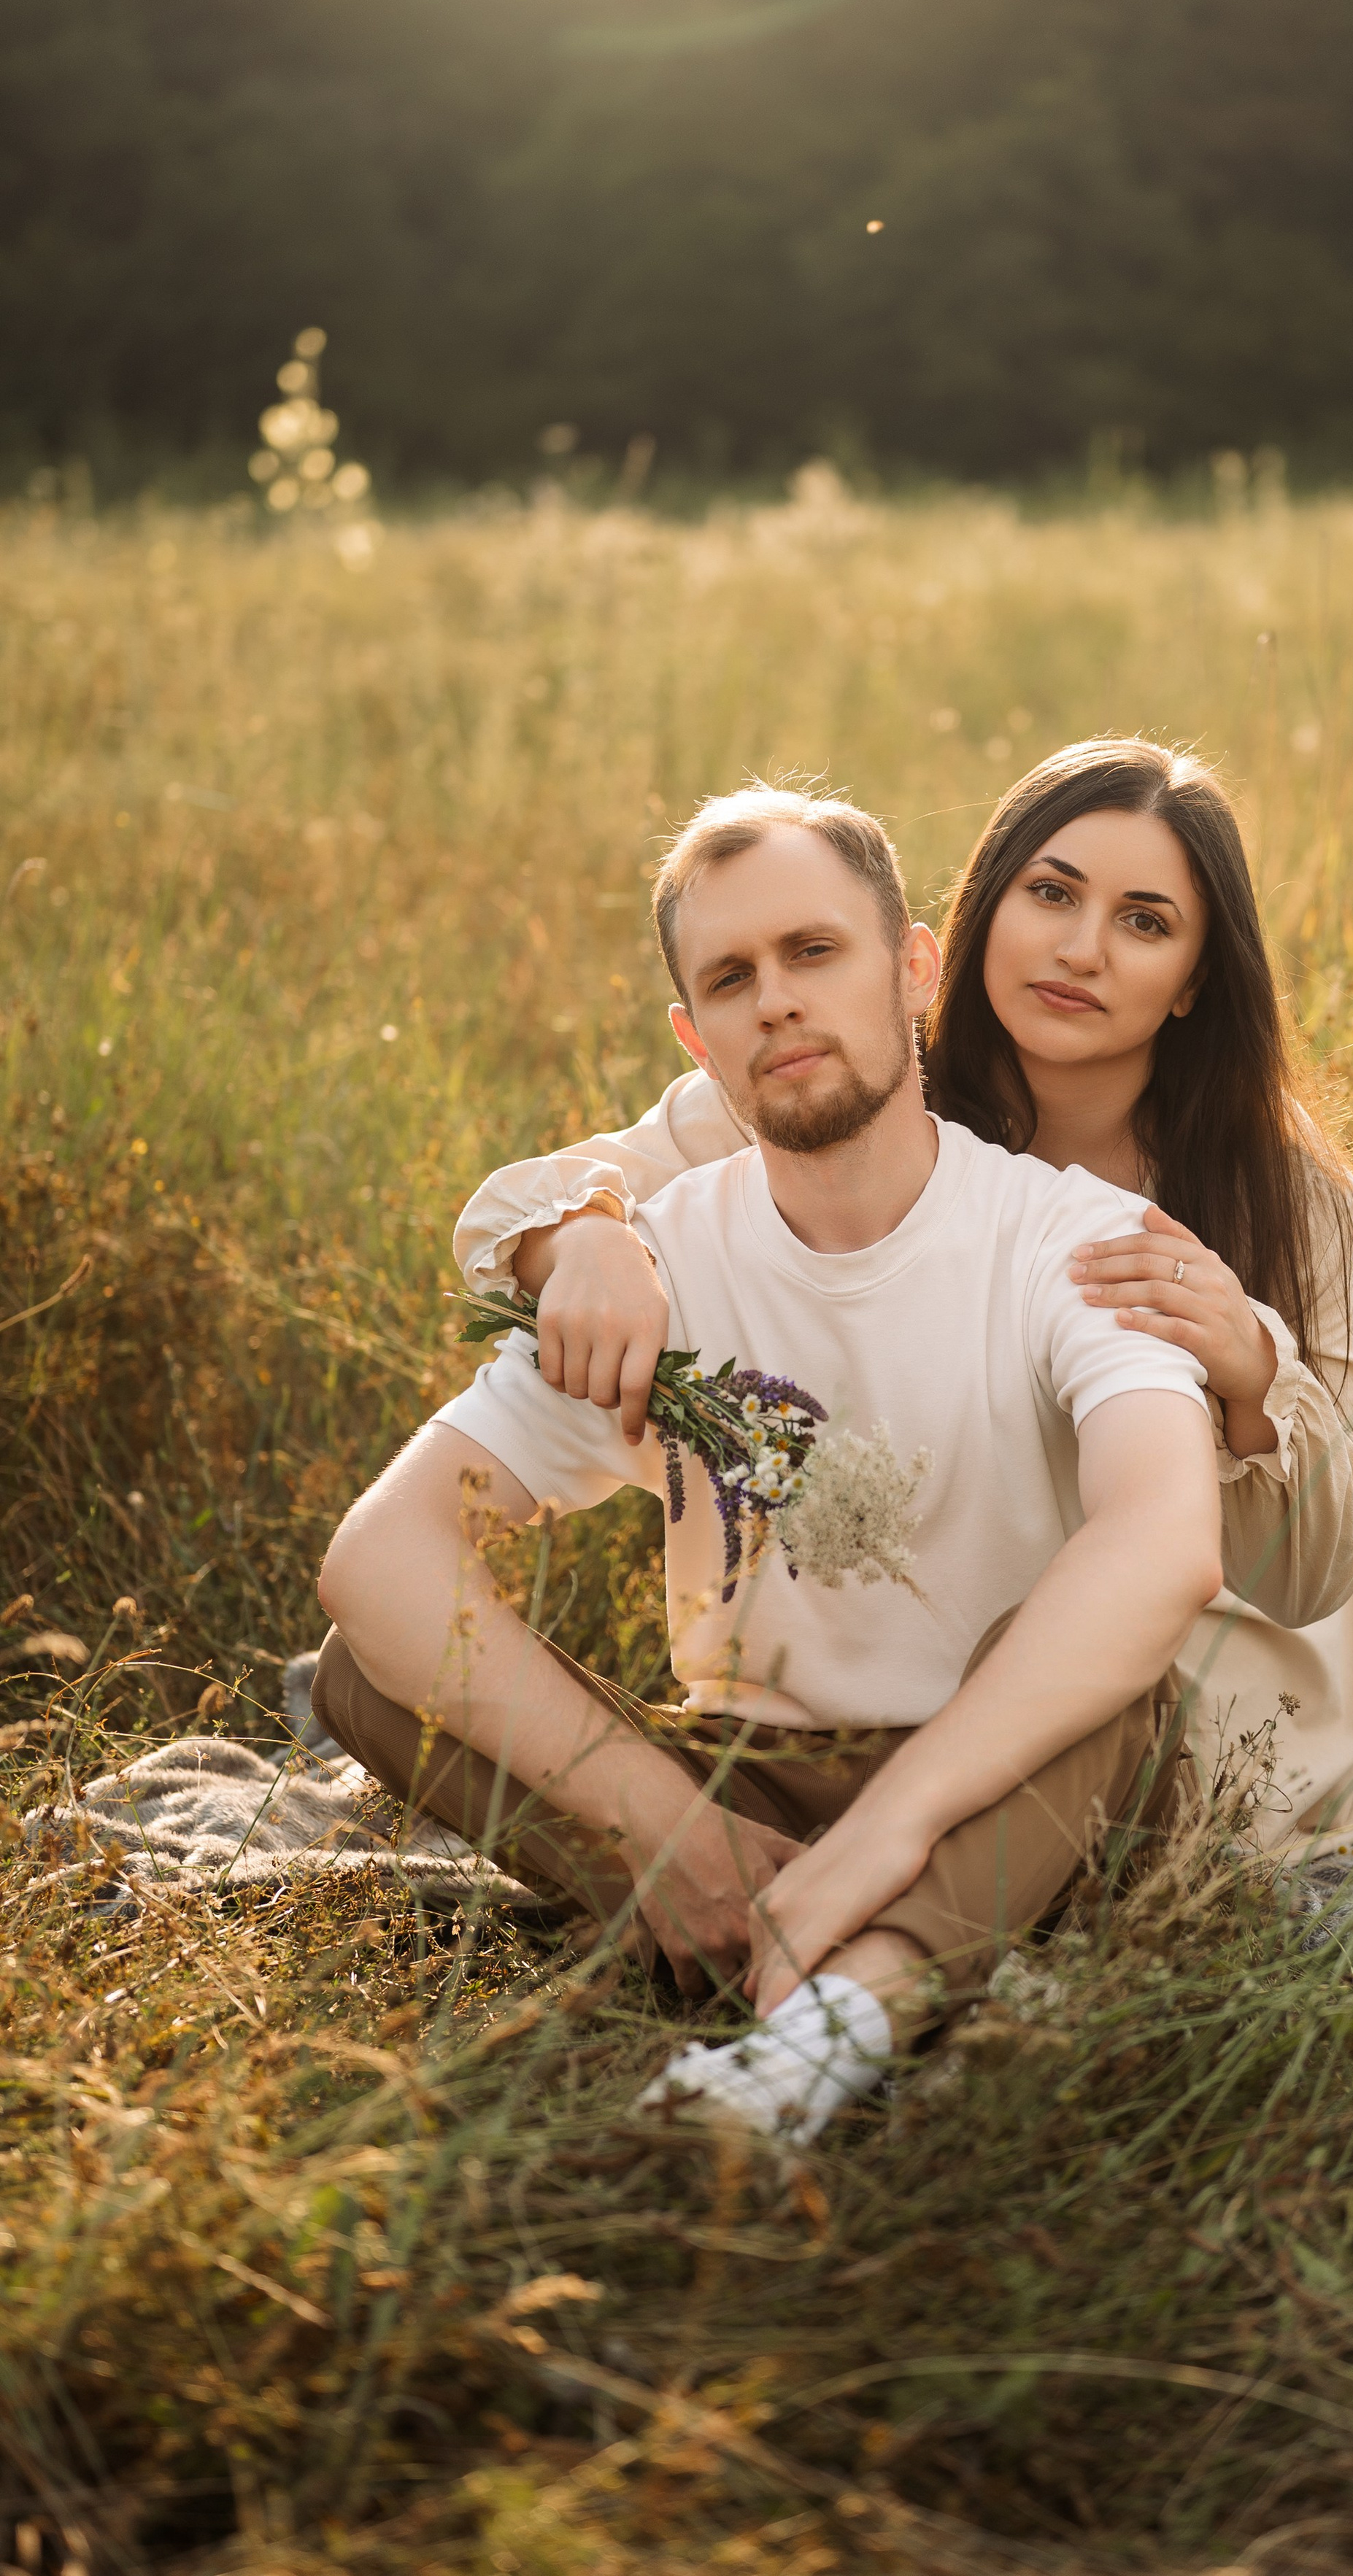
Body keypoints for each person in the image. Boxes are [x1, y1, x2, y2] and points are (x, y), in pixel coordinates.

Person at [314, 785, 1225, 2145]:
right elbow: (377, 1561)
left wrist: (890, 1831)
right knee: (367, 1675)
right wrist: (675, 1833)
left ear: (914, 970)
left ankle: (817, 2033)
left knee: (1121, 1695)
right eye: (731, 979)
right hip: (747, 1778)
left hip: (1005, 1786)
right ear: (696, 1037)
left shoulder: (1071, 1239)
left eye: (815, 953)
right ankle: (753, 1923)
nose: (777, 1003)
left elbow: (1167, 1543)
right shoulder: (652, 1265)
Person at [458, 740, 1353, 1855]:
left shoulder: (1274, 1190)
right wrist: (586, 1239)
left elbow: (1317, 1570)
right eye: (1050, 893)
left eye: (1145, 922)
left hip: (1185, 1679)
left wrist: (1251, 1370)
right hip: (900, 1653)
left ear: (1197, 978)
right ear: (977, 909)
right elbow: (515, 1205)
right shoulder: (860, 1085)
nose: (1080, 949)